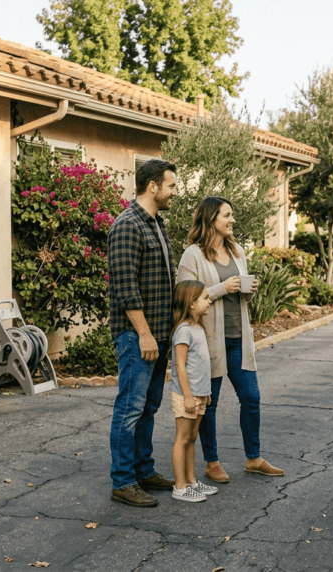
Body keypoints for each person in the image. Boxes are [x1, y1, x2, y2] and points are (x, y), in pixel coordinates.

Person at [177, 196, 284, 483]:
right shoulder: (193, 255)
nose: (232, 220)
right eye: (227, 215)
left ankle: (253, 458)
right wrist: (221, 288)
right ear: (211, 218)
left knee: (251, 397)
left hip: (238, 337)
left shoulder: (236, 251)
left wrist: (248, 290)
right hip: (209, 340)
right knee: (209, 403)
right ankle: (211, 462)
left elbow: (241, 292)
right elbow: (185, 297)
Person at [106, 158, 179, 507]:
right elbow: (125, 288)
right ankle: (123, 481)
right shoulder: (127, 225)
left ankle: (143, 470)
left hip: (158, 334)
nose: (174, 193)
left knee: (148, 407)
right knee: (130, 409)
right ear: (153, 186)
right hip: (138, 336)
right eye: (171, 186)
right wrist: (146, 335)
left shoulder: (156, 225)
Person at [168, 280, 220, 502]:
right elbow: (180, 365)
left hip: (199, 394)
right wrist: (188, 396)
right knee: (182, 438)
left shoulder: (199, 327)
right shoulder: (183, 330)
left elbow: (201, 364)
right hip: (185, 395)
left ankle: (191, 481)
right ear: (191, 303)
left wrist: (205, 392)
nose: (209, 301)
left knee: (192, 437)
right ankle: (180, 487)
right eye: (205, 298)